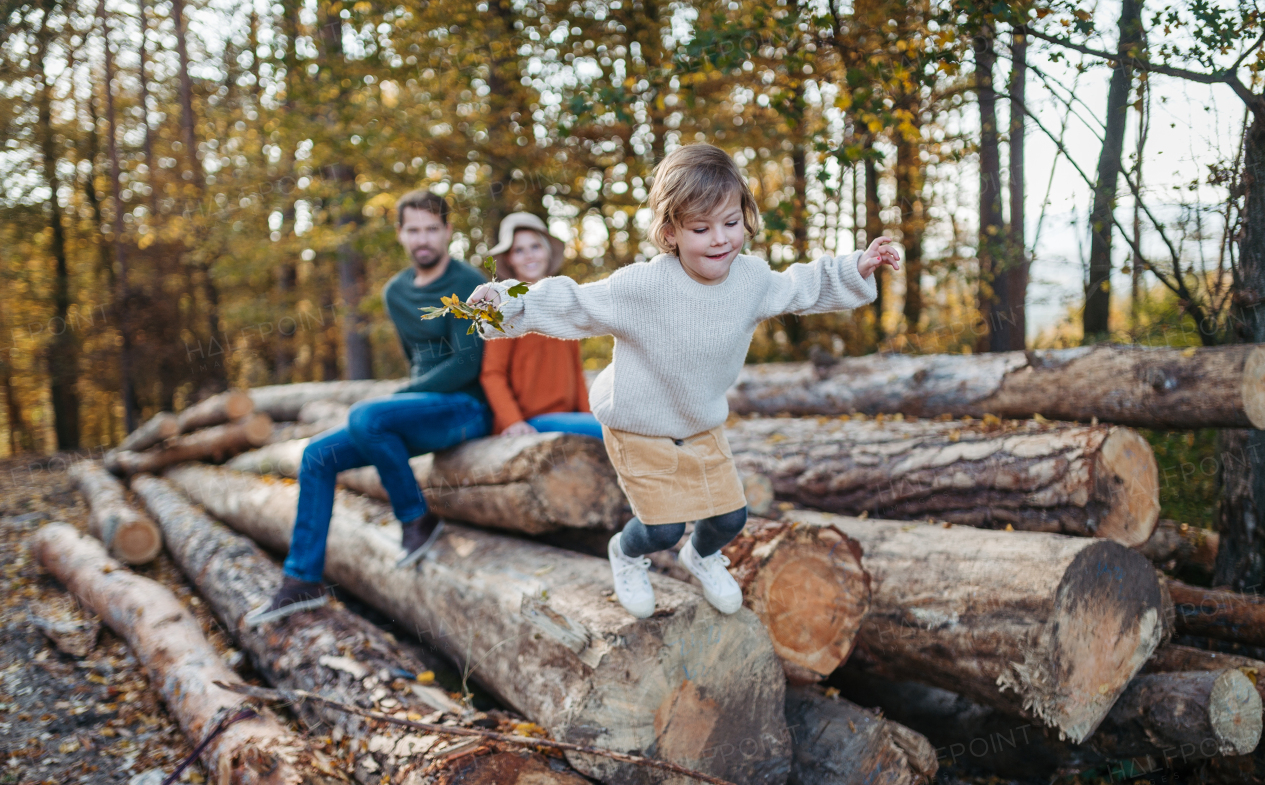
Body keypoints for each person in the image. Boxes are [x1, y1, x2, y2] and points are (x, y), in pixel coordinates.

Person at [468, 143, 899, 620]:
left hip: (699, 421)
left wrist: (854, 267)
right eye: (701, 228)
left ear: (745, 217)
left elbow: (800, 286)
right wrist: (505, 303)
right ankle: (627, 555)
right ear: (670, 232)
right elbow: (575, 302)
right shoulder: (643, 287)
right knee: (662, 529)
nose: (720, 240)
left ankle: (703, 556)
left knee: (730, 517)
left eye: (731, 223)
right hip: (637, 422)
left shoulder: (750, 279)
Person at [247, 190, 491, 625]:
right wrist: (405, 400)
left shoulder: (467, 282)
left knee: (366, 416)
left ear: (448, 232)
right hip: (421, 409)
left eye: (432, 229)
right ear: (399, 234)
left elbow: (468, 363)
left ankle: (416, 520)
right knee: (316, 455)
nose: (423, 239)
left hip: (465, 409)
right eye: (413, 229)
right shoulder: (396, 292)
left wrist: (399, 399)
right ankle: (301, 580)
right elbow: (415, 358)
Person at [480, 212, 602, 440]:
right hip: (532, 420)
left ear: (547, 251)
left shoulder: (564, 303)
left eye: (535, 246)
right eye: (518, 250)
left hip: (571, 417)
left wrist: (588, 415)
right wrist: (513, 421)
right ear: (509, 259)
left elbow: (575, 369)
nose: (528, 255)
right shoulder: (505, 308)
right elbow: (492, 374)